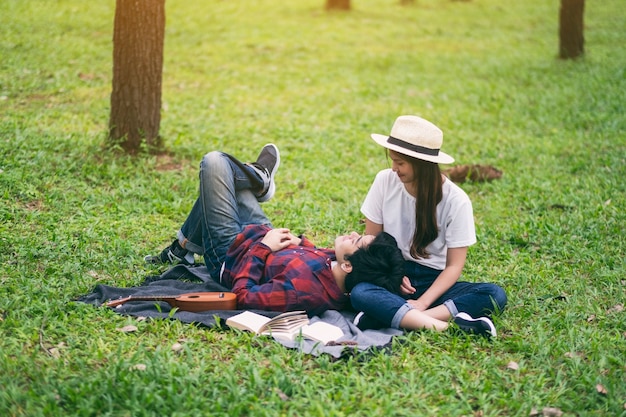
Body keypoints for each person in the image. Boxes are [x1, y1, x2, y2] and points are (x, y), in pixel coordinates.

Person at [144, 145, 404, 317]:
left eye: (355, 241)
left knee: (214, 164)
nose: (351, 233)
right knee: (220, 185)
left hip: (229, 253)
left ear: (349, 266)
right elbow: (313, 256)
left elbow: (243, 297)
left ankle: (260, 178)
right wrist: (300, 242)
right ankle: (182, 248)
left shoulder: (305, 293)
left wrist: (264, 248)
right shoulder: (338, 265)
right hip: (258, 231)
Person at [350, 115, 508, 337]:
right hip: (393, 274)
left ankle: (400, 317)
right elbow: (372, 243)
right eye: (393, 160)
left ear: (422, 164)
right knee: (360, 292)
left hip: (434, 282)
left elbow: (454, 266)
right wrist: (392, 274)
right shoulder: (384, 181)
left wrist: (423, 303)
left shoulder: (456, 200)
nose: (394, 168)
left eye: (401, 162)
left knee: (494, 294)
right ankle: (434, 323)